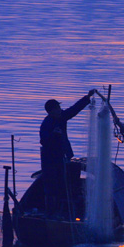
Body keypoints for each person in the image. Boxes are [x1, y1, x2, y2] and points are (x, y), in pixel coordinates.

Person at [40, 89, 96, 217]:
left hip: (62, 158)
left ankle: (62, 211)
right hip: (50, 161)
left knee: (63, 184)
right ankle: (51, 214)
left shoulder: (62, 117)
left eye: (59, 107)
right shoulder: (46, 124)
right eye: (57, 108)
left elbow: (73, 110)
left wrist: (87, 98)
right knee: (52, 188)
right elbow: (44, 142)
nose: (60, 109)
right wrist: (54, 135)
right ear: (51, 111)